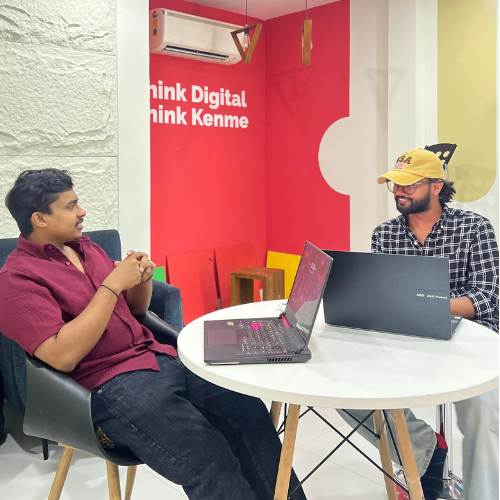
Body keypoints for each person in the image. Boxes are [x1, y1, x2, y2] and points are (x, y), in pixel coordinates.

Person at [0, 169, 307, 500]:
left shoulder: (87, 249)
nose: (82, 211)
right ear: (39, 219)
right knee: (208, 457)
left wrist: (141, 279)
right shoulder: (16, 280)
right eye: (71, 205)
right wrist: (112, 284)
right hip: (104, 388)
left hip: (157, 357)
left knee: (249, 414)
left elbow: (134, 311)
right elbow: (61, 356)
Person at [339, 149, 499, 500]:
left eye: (409, 185)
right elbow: (381, 297)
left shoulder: (475, 228)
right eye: (395, 184)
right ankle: (427, 451)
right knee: (345, 391)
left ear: (437, 185)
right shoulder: (385, 234)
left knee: (484, 411)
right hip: (405, 337)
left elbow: (488, 297)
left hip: (470, 339)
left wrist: (428, 306)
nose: (400, 191)